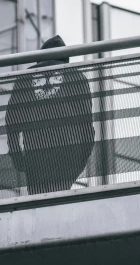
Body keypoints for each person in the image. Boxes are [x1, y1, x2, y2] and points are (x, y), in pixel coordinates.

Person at [5, 36, 95, 195]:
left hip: (36, 153)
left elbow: (12, 120)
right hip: (69, 154)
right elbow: (86, 125)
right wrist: (81, 160)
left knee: (39, 203)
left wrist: (17, 156)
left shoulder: (25, 78)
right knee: (60, 201)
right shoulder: (77, 76)